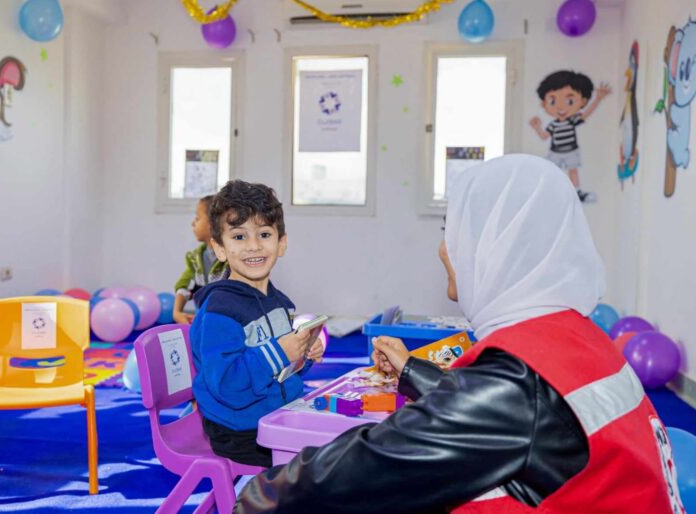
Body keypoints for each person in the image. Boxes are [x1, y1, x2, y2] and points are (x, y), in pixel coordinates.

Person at [234, 155, 684, 513]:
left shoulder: (517, 381)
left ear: (497, 246)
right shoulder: (575, 336)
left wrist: (257, 496)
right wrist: (412, 371)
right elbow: (513, 419)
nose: (443, 249)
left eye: (453, 231)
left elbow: (376, 464)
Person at [190, 180, 324, 467]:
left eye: (264, 234)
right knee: (327, 461)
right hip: (240, 430)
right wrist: (281, 351)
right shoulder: (220, 311)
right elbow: (227, 385)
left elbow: (279, 369)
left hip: (277, 411)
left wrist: (302, 355)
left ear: (281, 243)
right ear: (220, 249)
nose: (253, 246)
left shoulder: (279, 302)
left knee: (346, 440)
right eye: (239, 237)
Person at [529, 70, 612, 203]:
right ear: (544, 104)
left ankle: (576, 191)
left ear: (583, 101)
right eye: (553, 101)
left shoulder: (572, 120)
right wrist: (537, 127)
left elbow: (587, 113)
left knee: (573, 170)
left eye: (570, 101)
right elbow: (544, 136)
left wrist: (598, 99)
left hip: (571, 151)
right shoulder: (553, 125)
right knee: (552, 170)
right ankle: (549, 191)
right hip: (555, 152)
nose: (561, 106)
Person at [172, 195, 230, 324]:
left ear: (213, 223)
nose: (193, 223)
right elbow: (184, 285)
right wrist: (176, 312)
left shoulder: (231, 258)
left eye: (198, 218)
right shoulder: (195, 258)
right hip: (203, 320)